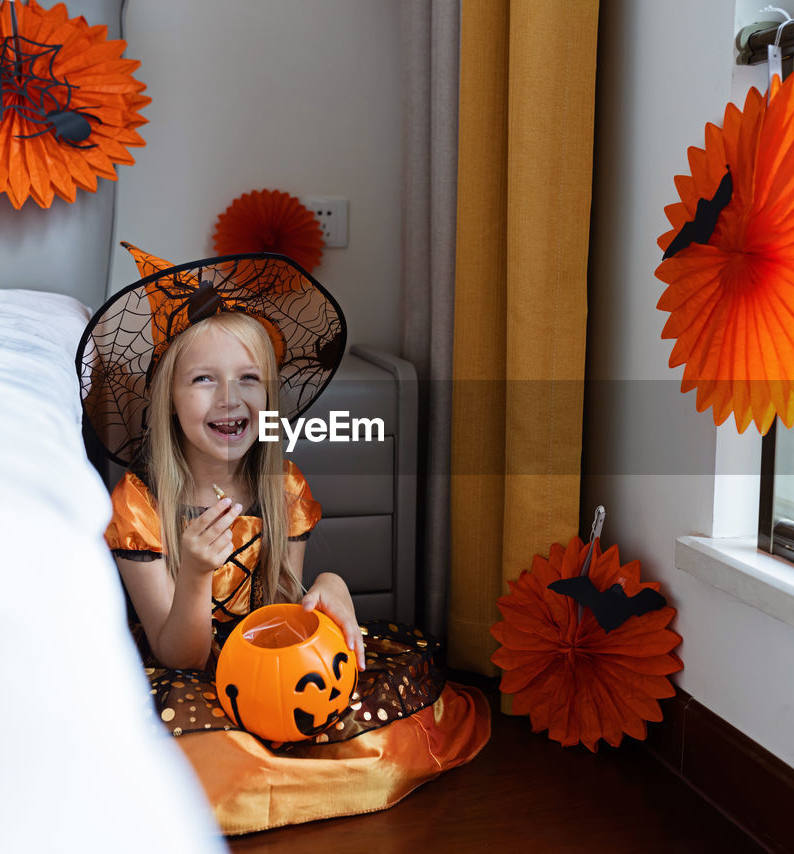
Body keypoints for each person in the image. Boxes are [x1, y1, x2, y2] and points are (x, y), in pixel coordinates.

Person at [78, 244, 490, 835]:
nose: (230, 398)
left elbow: (282, 607)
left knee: (388, 702)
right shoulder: (138, 507)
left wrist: (329, 586)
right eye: (203, 380)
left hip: (269, 666)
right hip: (189, 674)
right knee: (191, 750)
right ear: (168, 396)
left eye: (249, 379)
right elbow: (180, 656)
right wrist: (195, 575)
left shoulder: (282, 486)